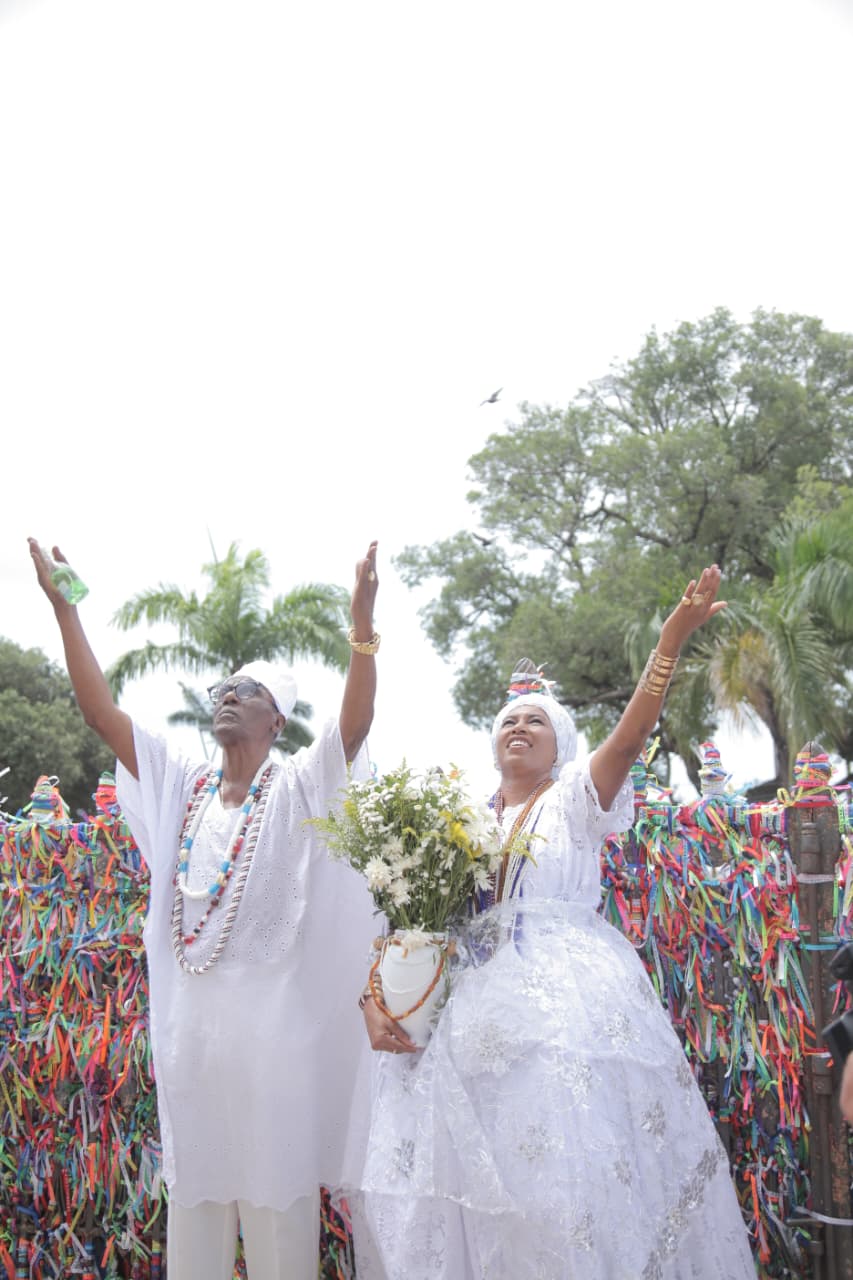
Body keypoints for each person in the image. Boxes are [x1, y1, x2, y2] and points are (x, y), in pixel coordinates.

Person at [354, 564, 757, 1279]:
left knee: (561, 1178)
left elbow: (630, 742)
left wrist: (668, 644)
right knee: (468, 1189)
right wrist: (379, 996)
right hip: (466, 1018)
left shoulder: (575, 796)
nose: (519, 726)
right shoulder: (456, 823)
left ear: (561, 744)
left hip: (567, 1007)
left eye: (536, 719)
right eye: (508, 718)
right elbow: (418, 925)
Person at [29, 537, 380, 1280]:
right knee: (196, 1206)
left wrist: (361, 627)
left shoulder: (292, 789)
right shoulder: (181, 781)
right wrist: (65, 611)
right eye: (221, 689)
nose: (225, 696)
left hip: (272, 1038)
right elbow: (101, 715)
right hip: (190, 1035)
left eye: (244, 692)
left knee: (277, 1203)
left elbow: (350, 729)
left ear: (275, 720)